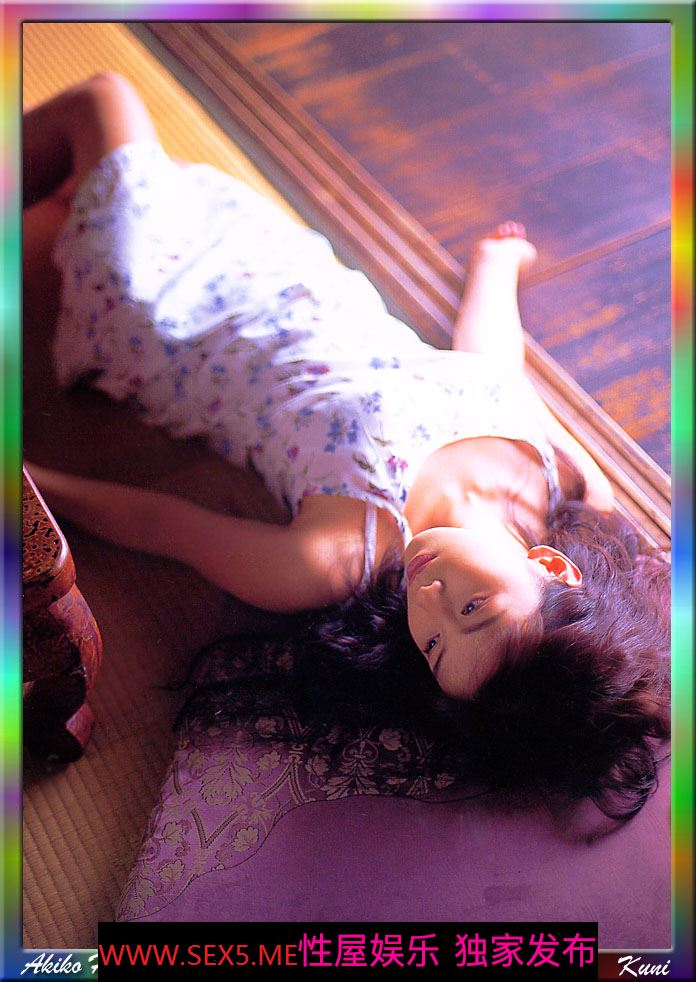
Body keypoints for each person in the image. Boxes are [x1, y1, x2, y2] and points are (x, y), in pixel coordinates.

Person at [24, 73, 670, 819]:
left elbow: (163, 525)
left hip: (167, 310)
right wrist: (495, 269)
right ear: (552, 567)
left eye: (432, 648)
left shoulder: (338, 553)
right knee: (101, 160)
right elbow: (493, 363)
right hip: (282, 262)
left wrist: (33, 482)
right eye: (474, 607)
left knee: (104, 99)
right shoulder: (558, 477)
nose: (428, 602)